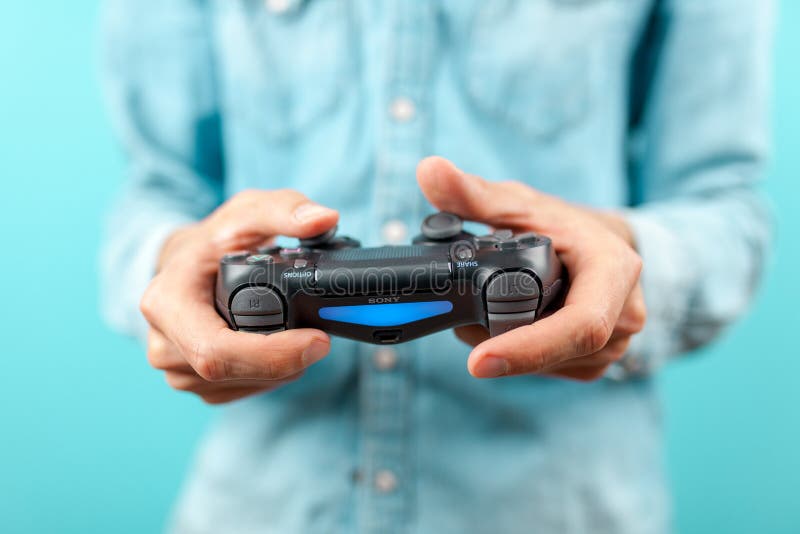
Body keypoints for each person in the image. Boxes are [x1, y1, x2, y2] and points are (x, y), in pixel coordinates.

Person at [100, 0, 774, 532]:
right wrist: (172, 272)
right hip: (263, 506)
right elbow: (159, 191)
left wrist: (618, 267)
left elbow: (725, 208)